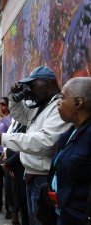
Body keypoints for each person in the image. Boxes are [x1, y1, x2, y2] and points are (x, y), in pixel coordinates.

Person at [0, 66, 72, 225]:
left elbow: (45, 142)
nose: (30, 90)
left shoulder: (58, 108)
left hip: (42, 178)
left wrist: (3, 138)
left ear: (46, 84)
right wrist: (14, 96)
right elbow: (19, 114)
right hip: (31, 175)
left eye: (32, 85)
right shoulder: (41, 105)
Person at [51, 77, 91, 225]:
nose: (58, 102)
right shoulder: (71, 131)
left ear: (78, 103)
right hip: (62, 212)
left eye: (62, 97)